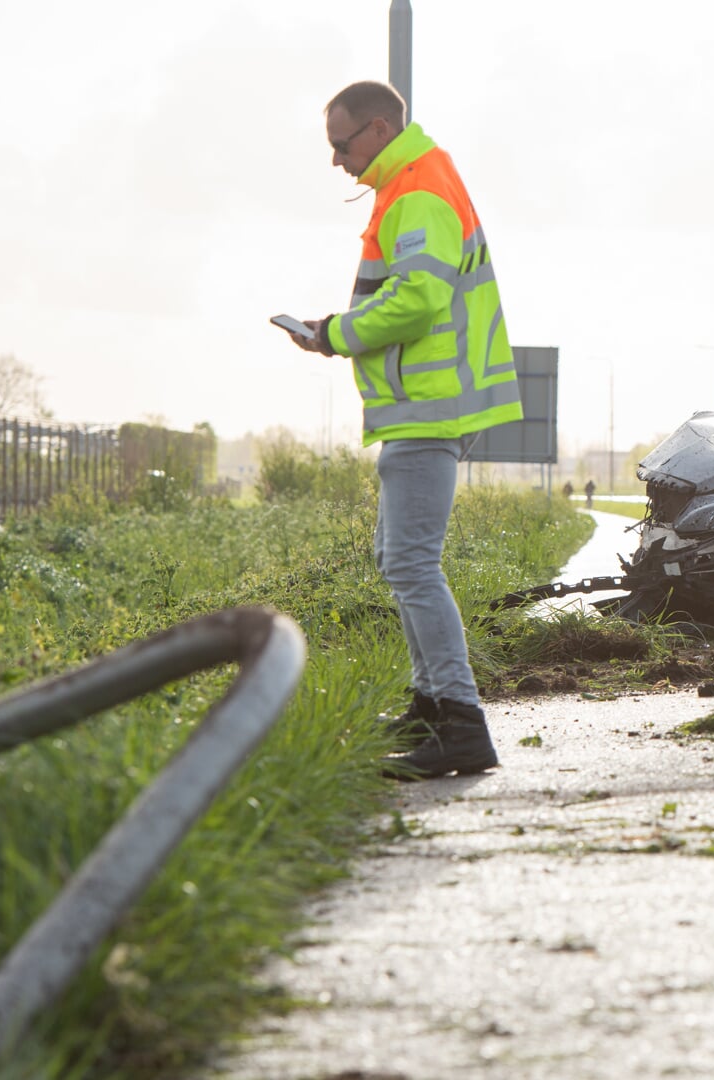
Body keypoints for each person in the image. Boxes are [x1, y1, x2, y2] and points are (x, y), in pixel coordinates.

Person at [289, 80, 524, 779]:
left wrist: (335, 334)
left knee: (414, 565)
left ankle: (460, 722)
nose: (336, 160)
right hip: (427, 405)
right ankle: (430, 707)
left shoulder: (418, 191)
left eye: (343, 143)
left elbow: (418, 301)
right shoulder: (413, 186)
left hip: (431, 405)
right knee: (400, 559)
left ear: (381, 127)